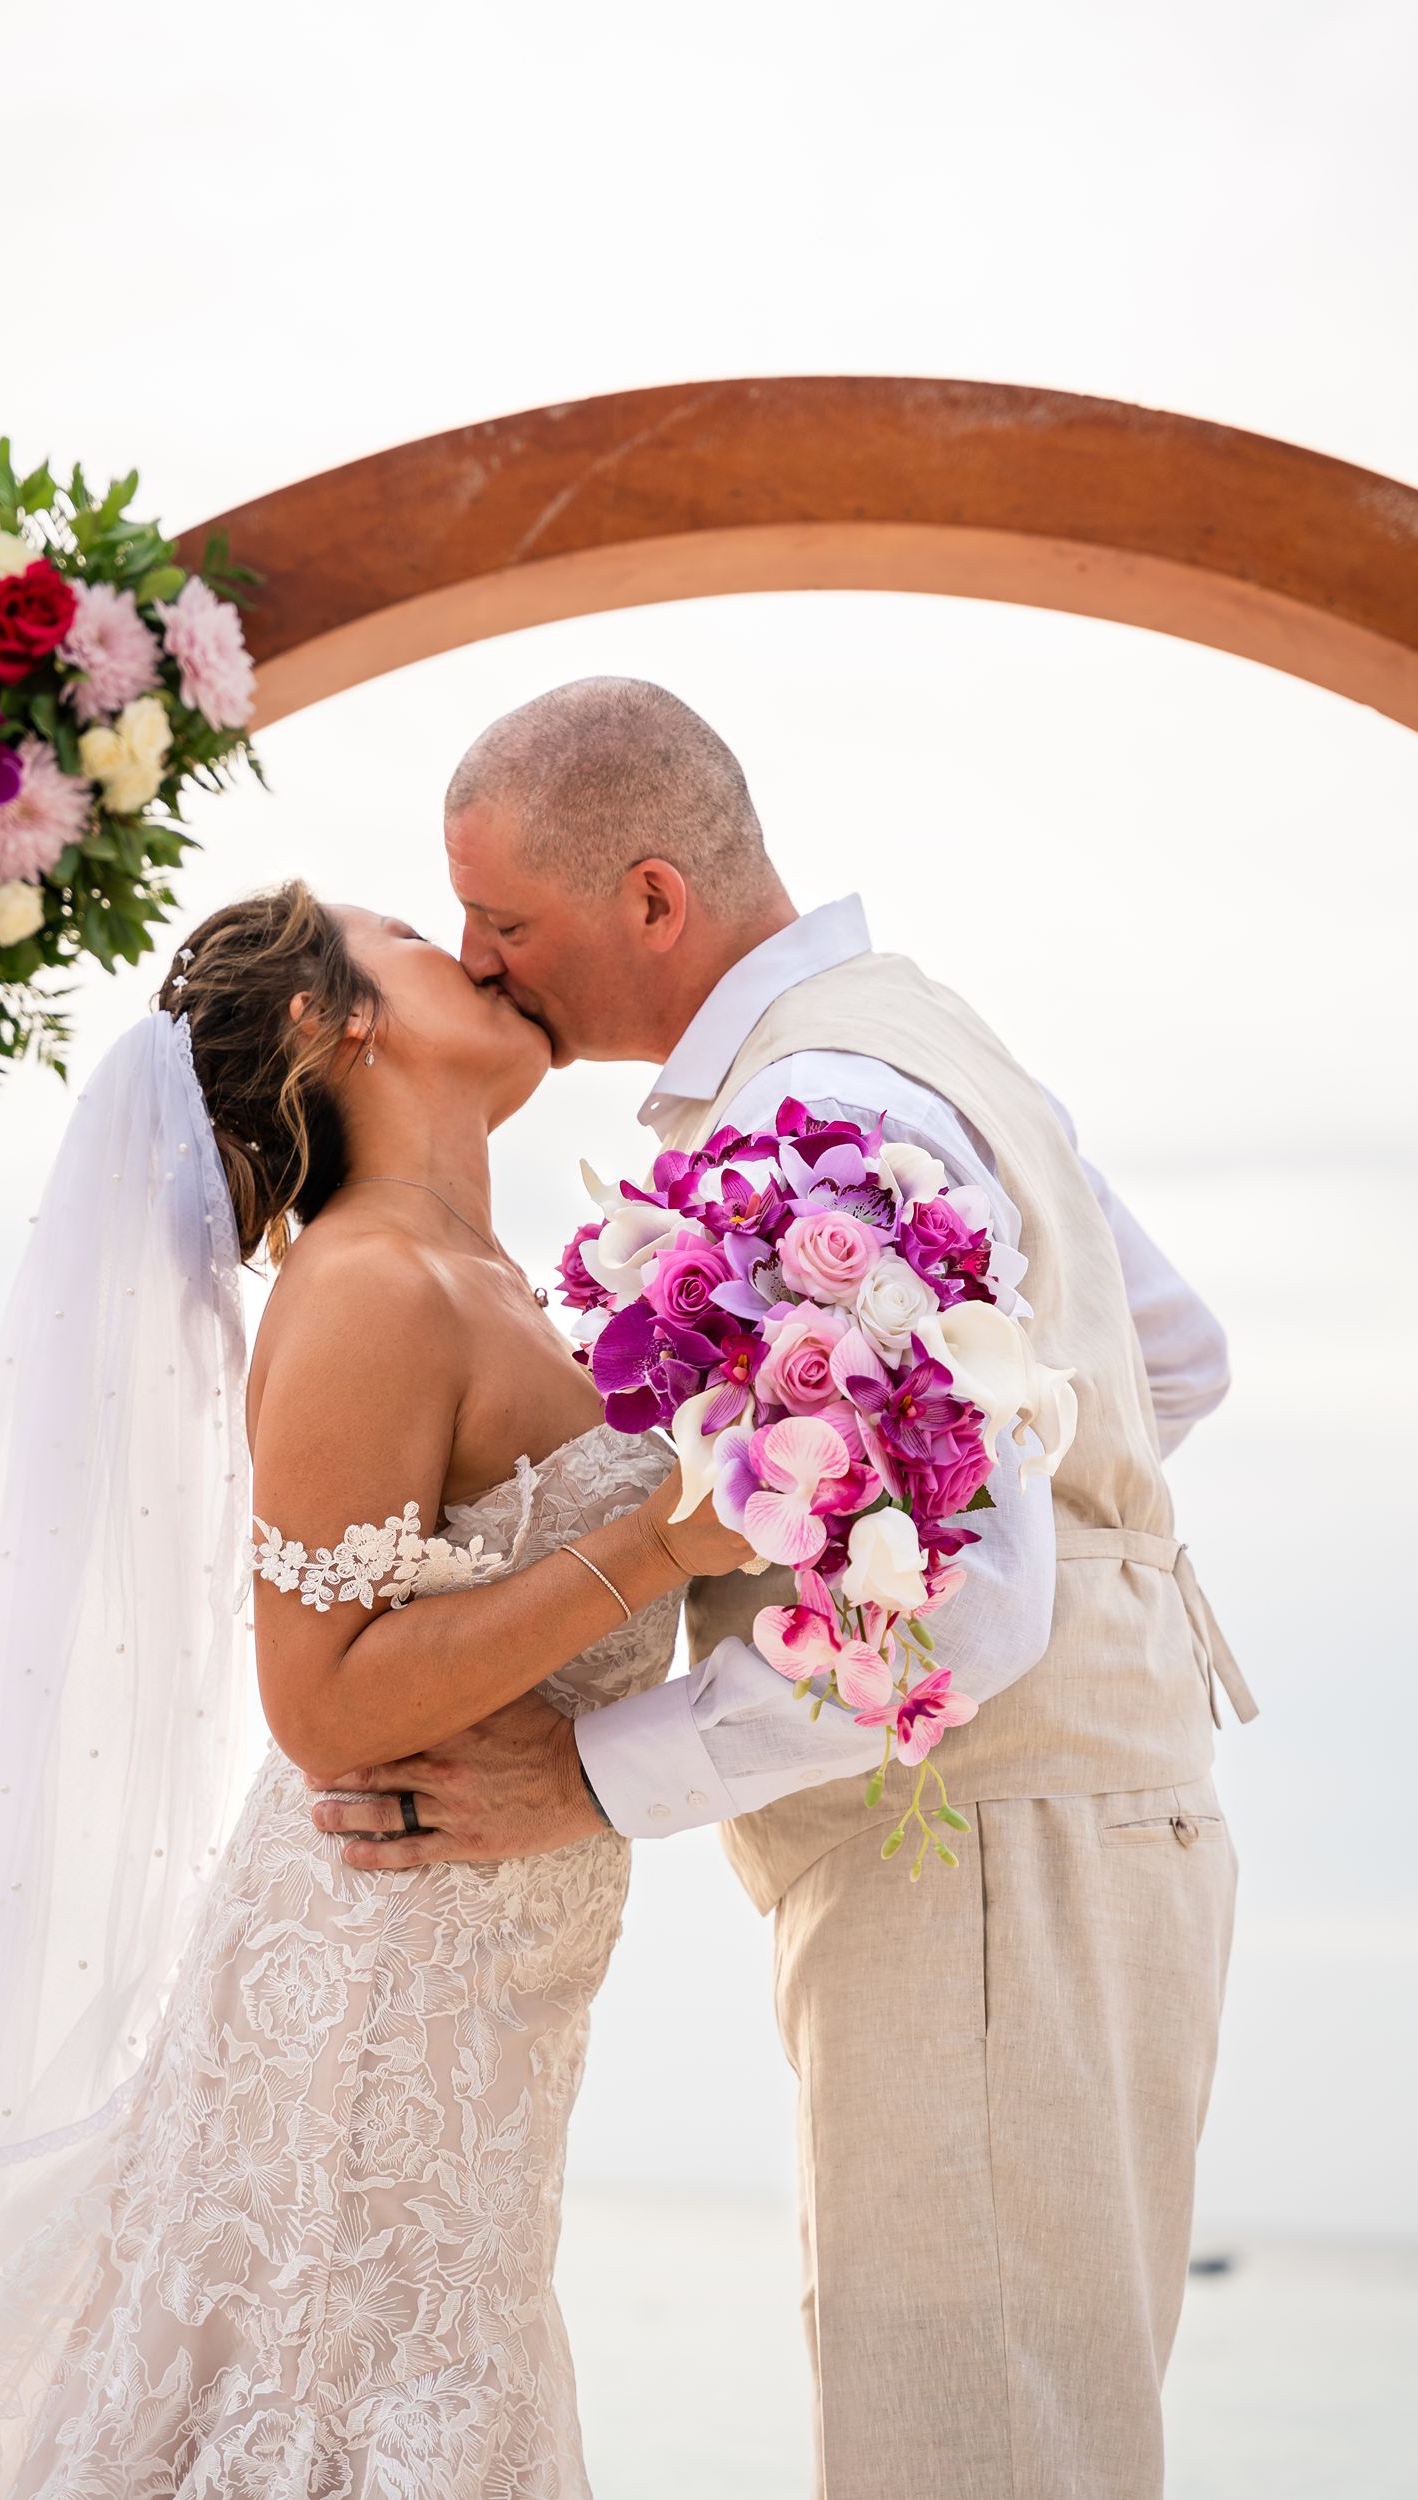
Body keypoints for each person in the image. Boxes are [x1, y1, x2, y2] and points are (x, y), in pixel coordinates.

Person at [311, 677, 1256, 2500]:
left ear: (653, 901)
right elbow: (1171, 1361)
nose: (487, 966)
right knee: (1034, 2423)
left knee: (965, 2446)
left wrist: (597, 1779)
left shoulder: (811, 1114)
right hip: (1093, 1832)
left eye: (508, 923)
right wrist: (1070, 1553)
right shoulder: (907, 1037)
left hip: (989, 1860)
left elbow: (973, 1617)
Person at [0, 879, 747, 2499]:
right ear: (329, 1017)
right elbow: (323, 1702)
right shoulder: (367, 1285)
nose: (477, 950)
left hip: (480, 1999)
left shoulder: (497, 1279)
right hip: (368, 1994)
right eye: (423, 935)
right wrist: (657, 1548)